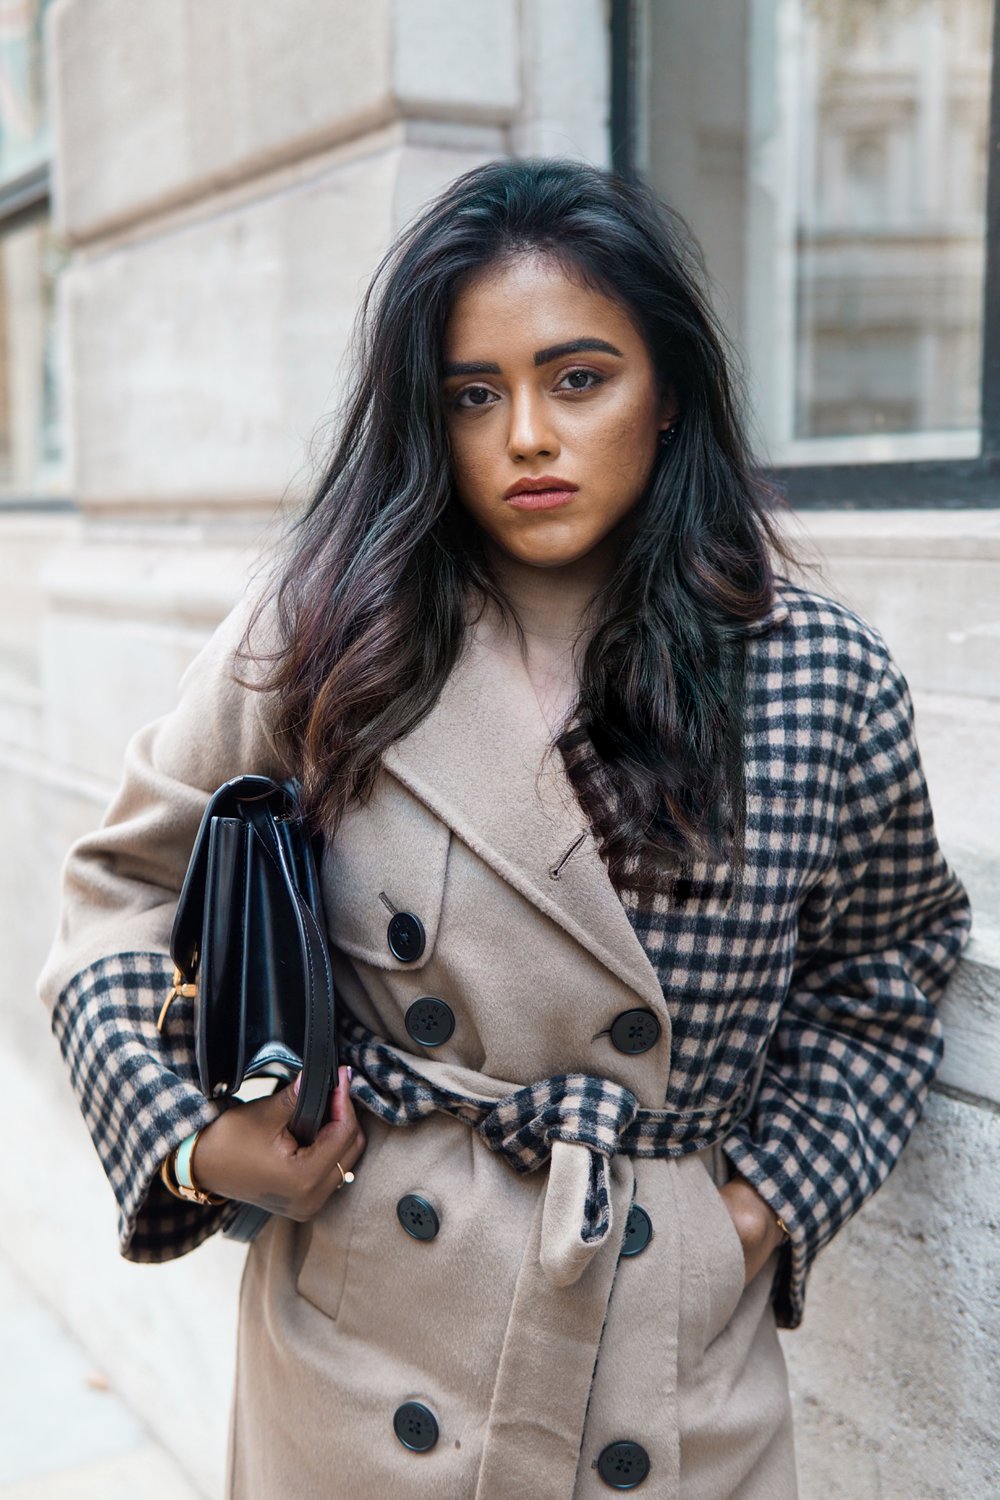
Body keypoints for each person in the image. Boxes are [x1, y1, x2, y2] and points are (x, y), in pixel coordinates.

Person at [37, 158, 971, 1500]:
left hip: (666, 1362)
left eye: (579, 379)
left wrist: (746, 1220)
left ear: (669, 400)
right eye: (475, 395)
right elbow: (122, 883)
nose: (527, 434)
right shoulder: (327, 631)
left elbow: (885, 971)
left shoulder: (815, 675)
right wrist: (192, 1141)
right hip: (363, 1349)